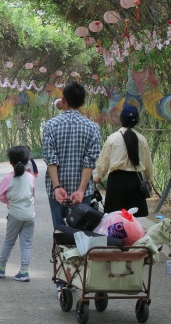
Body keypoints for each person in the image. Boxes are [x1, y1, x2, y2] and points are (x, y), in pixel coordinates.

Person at [42, 82, 101, 227]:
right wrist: (80, 190)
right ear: (82, 103)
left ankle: (59, 250)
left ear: (63, 100)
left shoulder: (50, 125)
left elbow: (51, 159)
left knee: (60, 231)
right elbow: (90, 162)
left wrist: (57, 187)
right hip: (83, 192)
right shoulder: (93, 128)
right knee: (81, 233)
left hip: (56, 191)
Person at [93, 104, 154, 217]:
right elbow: (148, 164)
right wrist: (149, 180)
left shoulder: (112, 138)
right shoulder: (142, 140)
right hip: (135, 181)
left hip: (116, 182)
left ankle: (115, 235)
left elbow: (103, 162)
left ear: (120, 119)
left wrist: (98, 176)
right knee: (133, 219)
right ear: (137, 121)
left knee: (115, 218)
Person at [0, 146, 36, 282]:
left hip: (15, 214)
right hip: (30, 215)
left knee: (9, 241)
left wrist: (10, 202)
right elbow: (32, 194)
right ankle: (24, 271)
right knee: (26, 244)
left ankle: (1, 268)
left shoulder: (8, 178)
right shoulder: (30, 177)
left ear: (10, 162)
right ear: (27, 160)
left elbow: (0, 195)